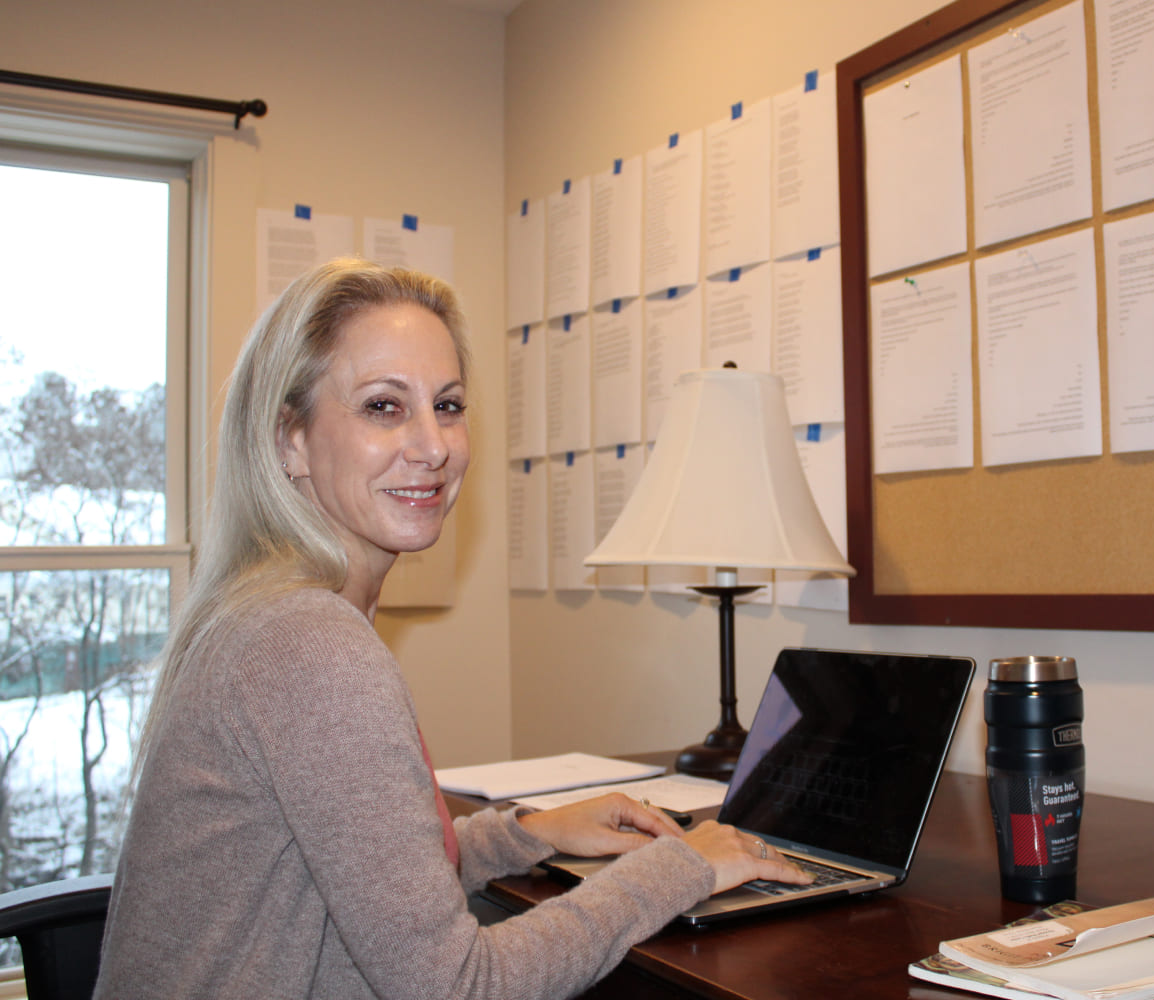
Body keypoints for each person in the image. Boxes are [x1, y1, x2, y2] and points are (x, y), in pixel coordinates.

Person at [93, 258, 809, 999]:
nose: (433, 446)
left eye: (449, 405)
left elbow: (360, 871)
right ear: (290, 442)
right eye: (382, 407)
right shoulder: (309, 646)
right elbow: (459, 987)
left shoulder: (266, 612)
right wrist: (679, 869)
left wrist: (525, 834)